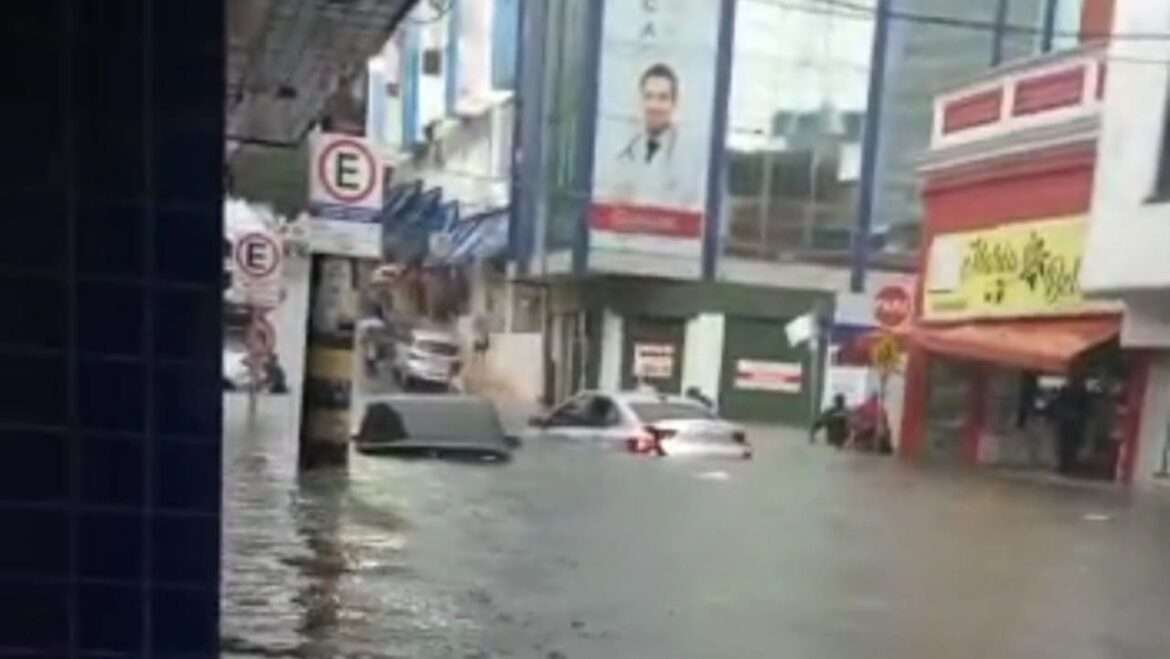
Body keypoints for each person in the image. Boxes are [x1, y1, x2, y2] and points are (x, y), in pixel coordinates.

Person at [610, 63, 699, 208]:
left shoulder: (690, 158)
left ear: (674, 103)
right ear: (640, 101)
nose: (654, 106)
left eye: (662, 98)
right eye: (648, 96)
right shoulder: (624, 156)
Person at [1053, 376, 1090, 475]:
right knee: (1068, 446)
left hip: (1069, 423)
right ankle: (1067, 466)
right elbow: (1087, 411)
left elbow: (1057, 405)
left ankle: (1066, 466)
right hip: (1072, 423)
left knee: (1067, 445)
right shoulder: (1081, 394)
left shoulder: (1068, 392)